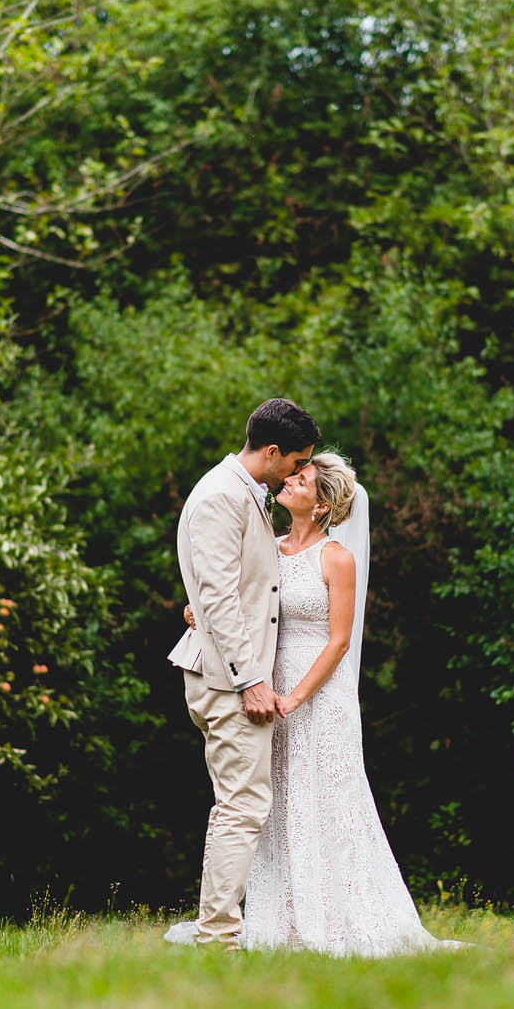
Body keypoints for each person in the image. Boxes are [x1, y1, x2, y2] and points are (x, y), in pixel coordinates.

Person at [170, 451, 462, 956]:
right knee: (275, 801)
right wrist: (202, 613)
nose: (288, 481)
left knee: (324, 800)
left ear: (322, 504)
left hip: (317, 695)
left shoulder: (337, 559)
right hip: (262, 684)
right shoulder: (267, 545)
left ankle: (336, 915)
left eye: (300, 479)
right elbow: (233, 598)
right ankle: (274, 915)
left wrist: (296, 697)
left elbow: (339, 641)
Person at [166, 398, 318, 949]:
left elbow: (234, 589)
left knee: (242, 801)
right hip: (227, 680)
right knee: (242, 805)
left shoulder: (246, 493)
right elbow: (217, 596)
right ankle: (218, 941)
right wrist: (249, 679)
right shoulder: (219, 496)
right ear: (272, 452)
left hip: (231, 669)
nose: (301, 472)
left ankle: (221, 934)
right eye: (298, 461)